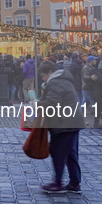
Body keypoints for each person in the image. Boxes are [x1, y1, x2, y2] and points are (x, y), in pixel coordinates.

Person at [36, 61, 86, 194]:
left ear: (49, 73)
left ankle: (57, 183)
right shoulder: (65, 79)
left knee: (58, 152)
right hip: (74, 121)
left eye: (43, 75)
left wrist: (37, 103)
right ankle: (75, 183)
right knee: (70, 153)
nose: (42, 78)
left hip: (63, 123)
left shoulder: (55, 82)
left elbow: (52, 103)